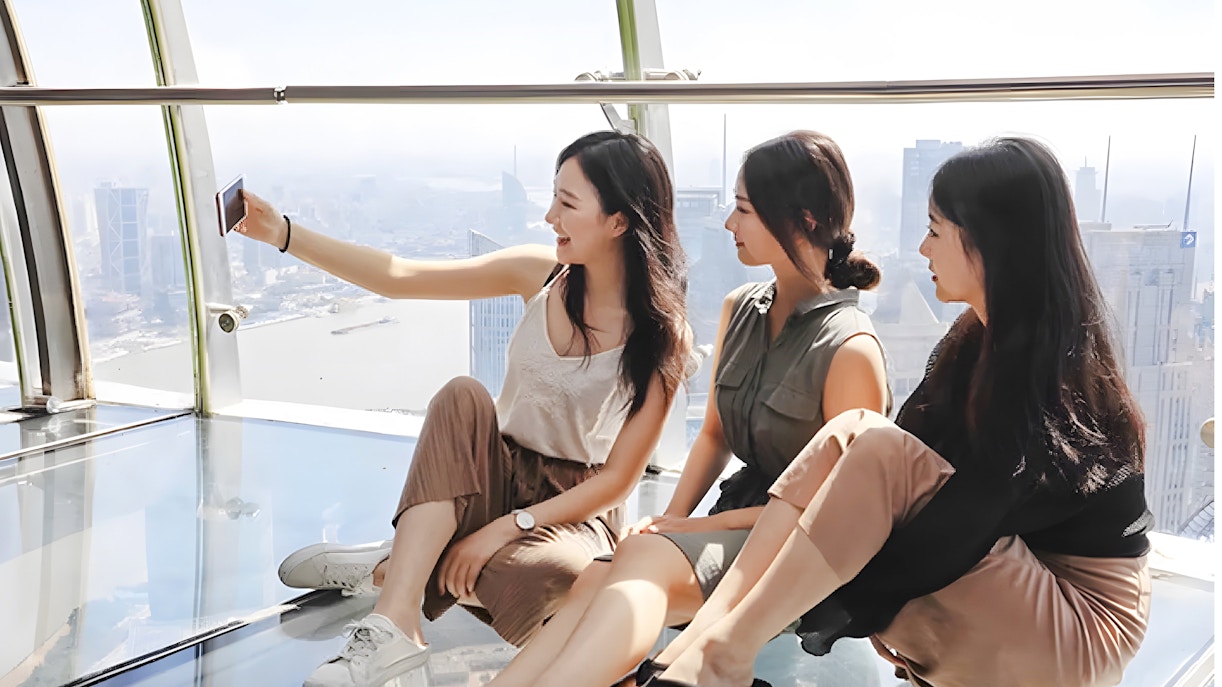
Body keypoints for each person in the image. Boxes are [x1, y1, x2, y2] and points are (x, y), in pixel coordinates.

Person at [644, 137, 1152, 687]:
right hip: (1008, 590)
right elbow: (882, 473)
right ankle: (709, 642)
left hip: (1078, 628)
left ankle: (724, 653)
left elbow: (961, 525)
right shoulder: (973, 344)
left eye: (935, 230)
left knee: (871, 440)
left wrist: (855, 610)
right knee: (851, 434)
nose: (923, 248)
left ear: (989, 242)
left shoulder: (1050, 368)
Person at [235, 130, 691, 687]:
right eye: (552, 198)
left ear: (618, 221)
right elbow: (398, 278)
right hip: (486, 472)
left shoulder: (663, 336)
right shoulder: (541, 274)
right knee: (461, 395)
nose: (550, 216)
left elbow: (618, 481)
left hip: (572, 510)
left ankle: (400, 564)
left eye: (567, 204)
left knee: (563, 580)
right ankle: (397, 622)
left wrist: (505, 528)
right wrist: (281, 233)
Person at [485, 130, 889, 687]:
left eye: (743, 209)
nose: (729, 224)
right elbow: (713, 438)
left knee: (642, 567)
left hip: (798, 549)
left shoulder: (850, 349)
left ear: (804, 220)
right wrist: (668, 522)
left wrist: (697, 527)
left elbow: (836, 509)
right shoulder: (740, 309)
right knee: (601, 574)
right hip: (734, 519)